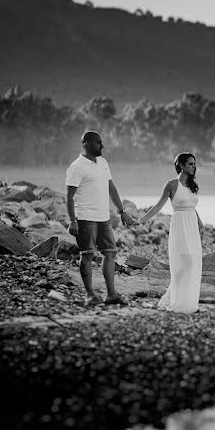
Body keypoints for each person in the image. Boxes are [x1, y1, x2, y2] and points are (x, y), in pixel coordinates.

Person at [66, 130, 135, 306]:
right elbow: (69, 196)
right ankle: (90, 295)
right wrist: (73, 221)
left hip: (103, 217)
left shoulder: (103, 162)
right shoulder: (76, 167)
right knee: (87, 255)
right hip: (85, 218)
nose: (102, 145)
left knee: (110, 252)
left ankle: (111, 295)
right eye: (98, 143)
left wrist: (121, 211)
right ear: (86, 144)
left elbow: (111, 187)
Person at [135, 152, 204, 313]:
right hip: (179, 225)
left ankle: (187, 302)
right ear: (180, 165)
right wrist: (141, 221)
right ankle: (175, 301)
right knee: (183, 264)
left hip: (192, 226)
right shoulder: (171, 185)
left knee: (194, 264)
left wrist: (200, 223)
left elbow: (192, 206)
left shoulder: (192, 186)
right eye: (190, 163)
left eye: (194, 164)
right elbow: (158, 206)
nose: (194, 167)